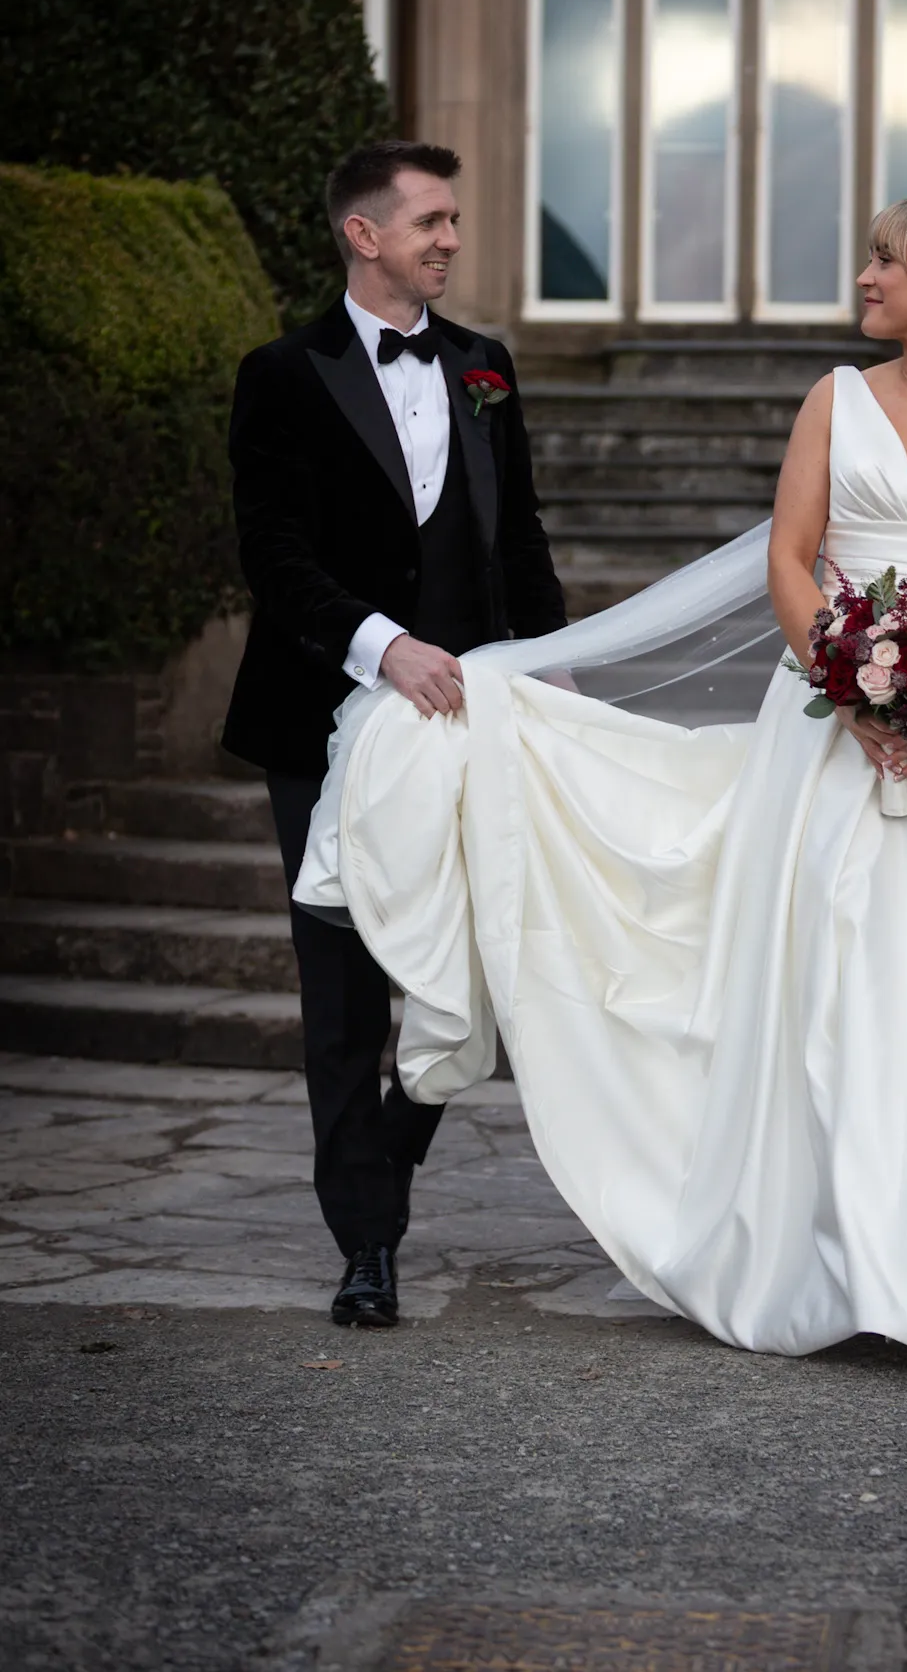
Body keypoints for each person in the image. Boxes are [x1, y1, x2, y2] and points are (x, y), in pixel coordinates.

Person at [295, 194, 907, 1362]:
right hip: (827, 730)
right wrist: (858, 689)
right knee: (832, 975)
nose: (866, 277)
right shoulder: (834, 399)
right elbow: (789, 551)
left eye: (887, 260)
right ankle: (838, 1247)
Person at [221, 139, 566, 1328]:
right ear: (364, 235)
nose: (452, 239)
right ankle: (367, 1243)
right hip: (322, 719)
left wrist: (548, 674)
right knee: (343, 991)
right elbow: (273, 552)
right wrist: (382, 644)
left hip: (472, 720)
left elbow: (518, 539)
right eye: (431, 220)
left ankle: (388, 1152)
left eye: (455, 219)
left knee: (471, 968)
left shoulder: (484, 367)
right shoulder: (281, 373)